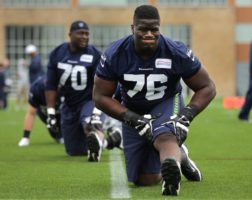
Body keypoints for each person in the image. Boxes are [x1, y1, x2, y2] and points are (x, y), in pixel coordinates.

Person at [93, 5, 216, 196]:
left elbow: (207, 87)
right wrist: (133, 119)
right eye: (143, 29)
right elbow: (100, 97)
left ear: (160, 28)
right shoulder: (115, 54)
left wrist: (186, 116)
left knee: (164, 135)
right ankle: (180, 156)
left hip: (166, 101)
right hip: (132, 107)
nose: (149, 33)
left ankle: (171, 174)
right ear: (132, 28)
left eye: (154, 29)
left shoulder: (175, 51)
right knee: (144, 180)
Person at [45, 20, 122, 161]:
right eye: (80, 33)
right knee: (74, 151)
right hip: (69, 104)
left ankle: (97, 141)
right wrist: (50, 113)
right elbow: (51, 85)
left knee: (90, 123)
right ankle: (109, 141)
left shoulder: (94, 55)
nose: (84, 36)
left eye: (87, 34)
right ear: (70, 34)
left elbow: (102, 86)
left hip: (90, 100)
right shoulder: (57, 53)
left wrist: (97, 112)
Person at [18, 75, 64, 147]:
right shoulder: (36, 88)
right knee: (55, 133)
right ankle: (58, 135)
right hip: (46, 113)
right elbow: (31, 113)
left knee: (67, 130)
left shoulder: (65, 87)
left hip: (63, 112)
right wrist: (25, 137)